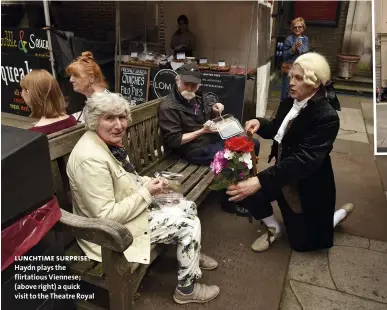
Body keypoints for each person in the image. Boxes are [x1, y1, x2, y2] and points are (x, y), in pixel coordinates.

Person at [66, 92, 220, 305]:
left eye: (121, 117)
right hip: (107, 236)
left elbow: (127, 178)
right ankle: (187, 289)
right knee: (188, 225)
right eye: (109, 118)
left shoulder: (108, 144)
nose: (119, 125)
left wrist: (151, 183)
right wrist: (147, 192)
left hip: (127, 213)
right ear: (94, 120)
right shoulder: (90, 160)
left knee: (187, 205)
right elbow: (106, 216)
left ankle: (191, 252)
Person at [227, 53, 354, 253]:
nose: (292, 83)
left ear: (315, 82)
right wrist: (260, 123)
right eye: (291, 77)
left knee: (302, 245)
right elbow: (278, 129)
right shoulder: (290, 102)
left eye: (299, 78)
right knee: (247, 190)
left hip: (307, 183)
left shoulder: (326, 117)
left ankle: (334, 217)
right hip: (284, 172)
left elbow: (305, 161)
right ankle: (273, 228)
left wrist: (260, 180)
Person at [158, 63, 260, 216]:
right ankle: (229, 200)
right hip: (193, 149)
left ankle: (243, 186)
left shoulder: (196, 97)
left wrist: (214, 110)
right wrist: (202, 131)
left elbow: (206, 116)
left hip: (210, 140)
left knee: (253, 143)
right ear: (177, 81)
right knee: (234, 155)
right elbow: (175, 140)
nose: (191, 88)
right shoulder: (168, 107)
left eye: (195, 85)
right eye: (187, 84)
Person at [20, 69, 77, 135]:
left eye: (24, 90)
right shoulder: (71, 121)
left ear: (33, 95)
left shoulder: (33, 134)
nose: (22, 94)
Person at [66, 51, 112, 123]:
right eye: (71, 76)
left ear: (91, 78)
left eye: (76, 76)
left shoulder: (100, 104)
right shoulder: (99, 97)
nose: (71, 80)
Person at [281, 17, 310, 101]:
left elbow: (306, 53)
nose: (297, 29)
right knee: (286, 90)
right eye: (295, 27)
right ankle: (283, 108)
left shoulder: (306, 39)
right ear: (292, 28)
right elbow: (284, 56)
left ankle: (295, 108)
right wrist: (293, 48)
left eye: (299, 27)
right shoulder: (289, 39)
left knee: (299, 89)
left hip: (301, 69)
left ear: (303, 28)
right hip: (290, 69)